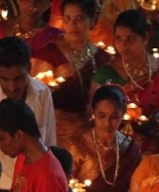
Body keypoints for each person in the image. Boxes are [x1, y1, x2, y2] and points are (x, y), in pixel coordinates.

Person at [0, 36, 57, 192]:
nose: (12, 87)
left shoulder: (42, 94)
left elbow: (50, 142)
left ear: (29, 68)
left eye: (18, 79)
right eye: (5, 80)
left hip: (33, 188)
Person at [91, 10, 159, 154]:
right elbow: (95, 117)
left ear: (145, 37)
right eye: (119, 39)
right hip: (119, 147)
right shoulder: (106, 75)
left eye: (130, 39)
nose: (123, 45)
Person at [31, 0, 107, 145]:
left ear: (92, 21)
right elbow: (35, 97)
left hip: (90, 132)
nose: (73, 24)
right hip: (54, 130)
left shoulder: (102, 57)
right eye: (68, 18)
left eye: (79, 19)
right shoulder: (49, 52)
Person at [66, 84, 143, 192]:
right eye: (101, 116)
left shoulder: (130, 148)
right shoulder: (78, 145)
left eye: (113, 117)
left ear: (123, 114)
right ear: (93, 112)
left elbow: (135, 188)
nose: (107, 123)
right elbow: (65, 186)